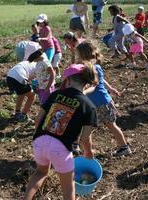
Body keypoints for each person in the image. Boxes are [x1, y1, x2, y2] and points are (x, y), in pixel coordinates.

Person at [24, 63, 98, 200]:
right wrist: (88, 152)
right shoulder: (89, 106)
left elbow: (37, 119)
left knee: (40, 173)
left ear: (68, 80)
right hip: (61, 148)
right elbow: (84, 139)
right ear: (86, 84)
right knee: (68, 187)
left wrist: (43, 138)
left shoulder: (56, 94)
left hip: (39, 141)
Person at [76, 41, 132, 156]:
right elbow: (102, 80)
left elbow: (95, 85)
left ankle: (123, 148)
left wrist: (82, 92)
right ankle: (87, 150)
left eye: (78, 55)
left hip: (100, 104)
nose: (77, 57)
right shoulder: (93, 66)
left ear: (83, 55)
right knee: (92, 127)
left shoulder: (93, 68)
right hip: (97, 103)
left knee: (107, 126)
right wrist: (111, 89)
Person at [7, 43, 38, 121]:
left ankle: (17, 113)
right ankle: (23, 116)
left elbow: (28, 79)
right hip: (19, 76)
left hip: (9, 76)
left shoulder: (28, 62)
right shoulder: (38, 67)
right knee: (32, 96)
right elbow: (34, 81)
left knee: (21, 94)